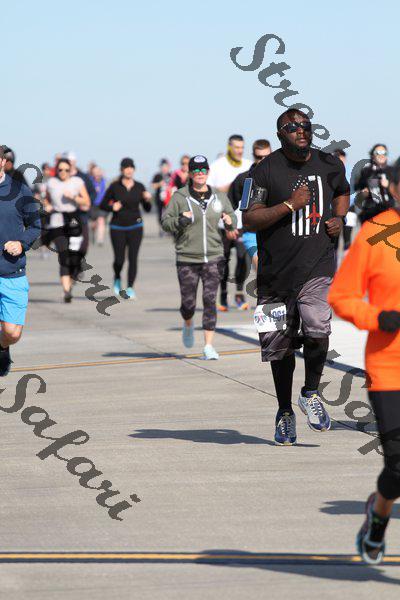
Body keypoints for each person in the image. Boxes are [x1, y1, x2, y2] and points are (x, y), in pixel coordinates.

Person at [242, 108, 350, 446]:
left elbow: (343, 191)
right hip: (274, 275)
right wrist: (289, 205)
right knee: (279, 347)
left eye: (305, 125)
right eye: (292, 127)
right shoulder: (262, 172)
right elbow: (249, 219)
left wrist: (340, 218)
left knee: (318, 327)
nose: (301, 130)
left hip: (317, 266)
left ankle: (310, 392)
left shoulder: (330, 164)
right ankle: (285, 411)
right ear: (280, 135)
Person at [328, 203, 400, 565]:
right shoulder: (376, 234)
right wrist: (377, 317)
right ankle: (379, 513)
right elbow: (341, 296)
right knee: (398, 466)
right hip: (390, 367)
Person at [161, 155, 237, 360]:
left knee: (210, 300)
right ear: (190, 173)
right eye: (196, 170)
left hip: (214, 256)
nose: (200, 174)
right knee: (188, 304)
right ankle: (188, 323)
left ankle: (208, 346)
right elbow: (165, 222)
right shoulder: (180, 196)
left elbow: (232, 216)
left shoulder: (219, 196)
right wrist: (180, 220)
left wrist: (229, 221)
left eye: (203, 170)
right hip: (187, 257)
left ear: (208, 173)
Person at [0, 145, 41, 375]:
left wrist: (21, 243)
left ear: (2, 162)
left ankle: (2, 346)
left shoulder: (19, 191)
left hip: (12, 271)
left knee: (12, 333)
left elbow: (35, 226)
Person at [207, 135, 252, 311]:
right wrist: (226, 187)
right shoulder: (217, 166)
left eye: (242, 147)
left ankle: (239, 294)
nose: (239, 151)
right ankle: (223, 295)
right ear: (229, 147)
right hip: (222, 223)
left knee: (243, 259)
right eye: (236, 147)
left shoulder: (249, 165)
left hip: (242, 222)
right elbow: (207, 189)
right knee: (223, 261)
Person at [100, 158, 152, 299]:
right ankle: (117, 277)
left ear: (134, 169)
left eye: (131, 167)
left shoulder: (140, 186)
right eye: (126, 167)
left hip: (136, 226)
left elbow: (147, 209)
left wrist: (147, 199)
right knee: (119, 259)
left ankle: (130, 287)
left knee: (133, 258)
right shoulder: (114, 187)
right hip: (117, 227)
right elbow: (102, 204)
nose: (129, 170)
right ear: (121, 170)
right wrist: (112, 207)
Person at [44, 158, 91, 302]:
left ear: (70, 170)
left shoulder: (77, 182)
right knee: (64, 255)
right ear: (56, 170)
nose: (63, 172)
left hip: (73, 221)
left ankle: (71, 281)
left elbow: (87, 202)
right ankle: (66, 291)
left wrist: (74, 197)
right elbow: (46, 199)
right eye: (60, 170)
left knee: (76, 255)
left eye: (66, 170)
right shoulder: (51, 183)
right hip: (57, 221)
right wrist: (47, 205)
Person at [230, 139, 272, 273]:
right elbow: (229, 205)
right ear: (253, 156)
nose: (263, 160)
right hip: (251, 233)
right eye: (259, 157)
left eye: (267, 157)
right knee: (261, 270)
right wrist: (229, 225)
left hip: (274, 233)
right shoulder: (243, 179)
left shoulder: (279, 177)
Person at [354, 144, 395, 224]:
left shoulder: (392, 171)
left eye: (384, 153)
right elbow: (357, 188)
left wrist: (388, 186)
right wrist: (363, 193)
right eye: (378, 153)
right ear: (373, 155)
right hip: (370, 212)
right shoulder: (366, 171)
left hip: (389, 210)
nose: (381, 155)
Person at [151, 159, 171, 235]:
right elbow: (153, 186)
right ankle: (162, 229)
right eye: (163, 166)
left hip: (169, 199)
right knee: (160, 215)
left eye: (166, 166)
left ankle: (169, 229)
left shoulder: (171, 175)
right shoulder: (157, 176)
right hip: (159, 199)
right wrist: (160, 184)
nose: (164, 168)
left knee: (169, 214)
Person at [89, 165, 107, 246]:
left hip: (102, 205)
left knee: (101, 220)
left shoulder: (105, 181)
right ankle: (92, 233)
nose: (97, 174)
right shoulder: (90, 182)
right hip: (92, 205)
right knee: (93, 223)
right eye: (95, 172)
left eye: (98, 172)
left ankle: (100, 240)